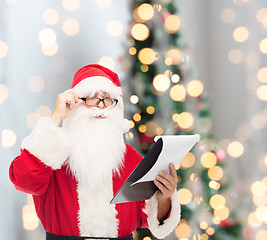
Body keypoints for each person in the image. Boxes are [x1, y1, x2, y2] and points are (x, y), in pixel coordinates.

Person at [9, 64, 181, 240]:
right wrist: (56, 118)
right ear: (76, 102)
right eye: (92, 98)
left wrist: (165, 198)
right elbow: (25, 180)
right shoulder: (53, 150)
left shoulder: (129, 157)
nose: (100, 106)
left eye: (106, 99)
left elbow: (146, 217)